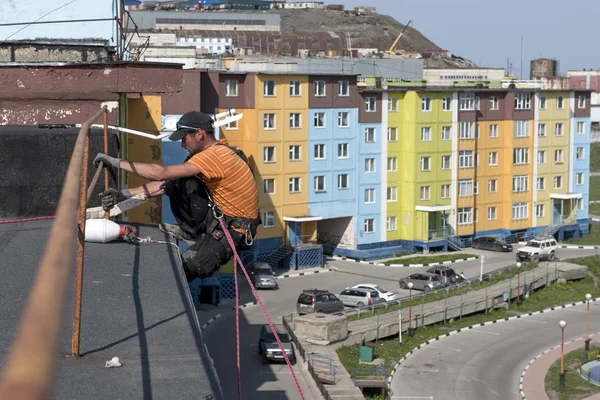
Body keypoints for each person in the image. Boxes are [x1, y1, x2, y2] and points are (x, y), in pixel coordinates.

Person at [93, 111, 260, 282]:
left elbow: (160, 174)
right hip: (223, 220)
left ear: (199, 134)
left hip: (236, 230)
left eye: (184, 138)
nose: (182, 145)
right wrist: (124, 194)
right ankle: (189, 232)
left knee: (190, 268)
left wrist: (115, 161)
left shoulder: (215, 157)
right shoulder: (211, 154)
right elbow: (167, 184)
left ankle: (167, 292)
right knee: (180, 181)